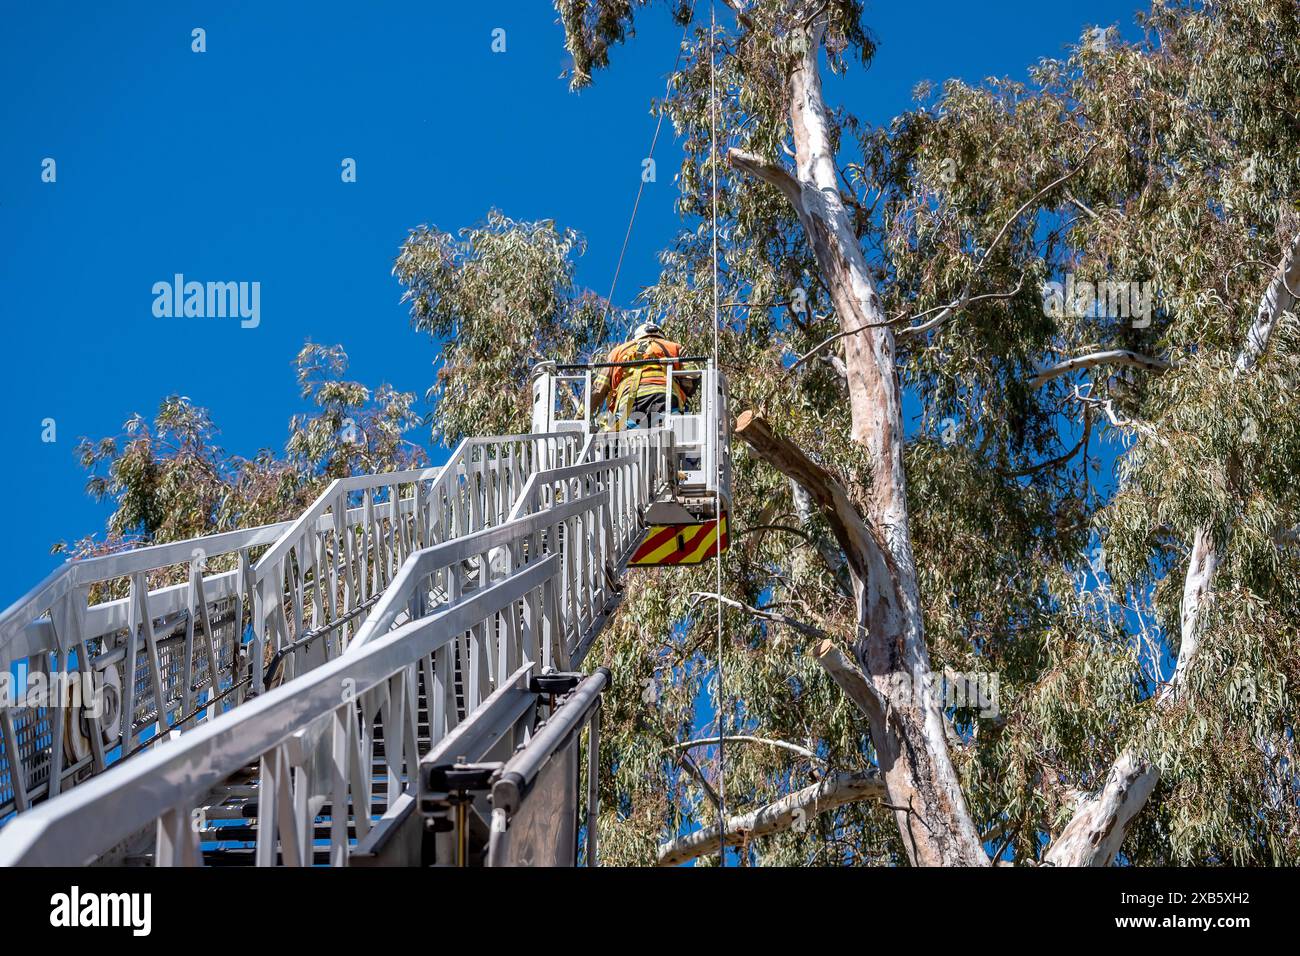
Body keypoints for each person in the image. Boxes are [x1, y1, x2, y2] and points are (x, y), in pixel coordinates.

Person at [589, 321, 694, 430]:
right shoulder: (674, 347)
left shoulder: (618, 351)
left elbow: (599, 388)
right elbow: (692, 377)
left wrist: (580, 417)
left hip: (630, 403)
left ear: (637, 337)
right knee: (668, 436)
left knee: (618, 439)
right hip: (665, 399)